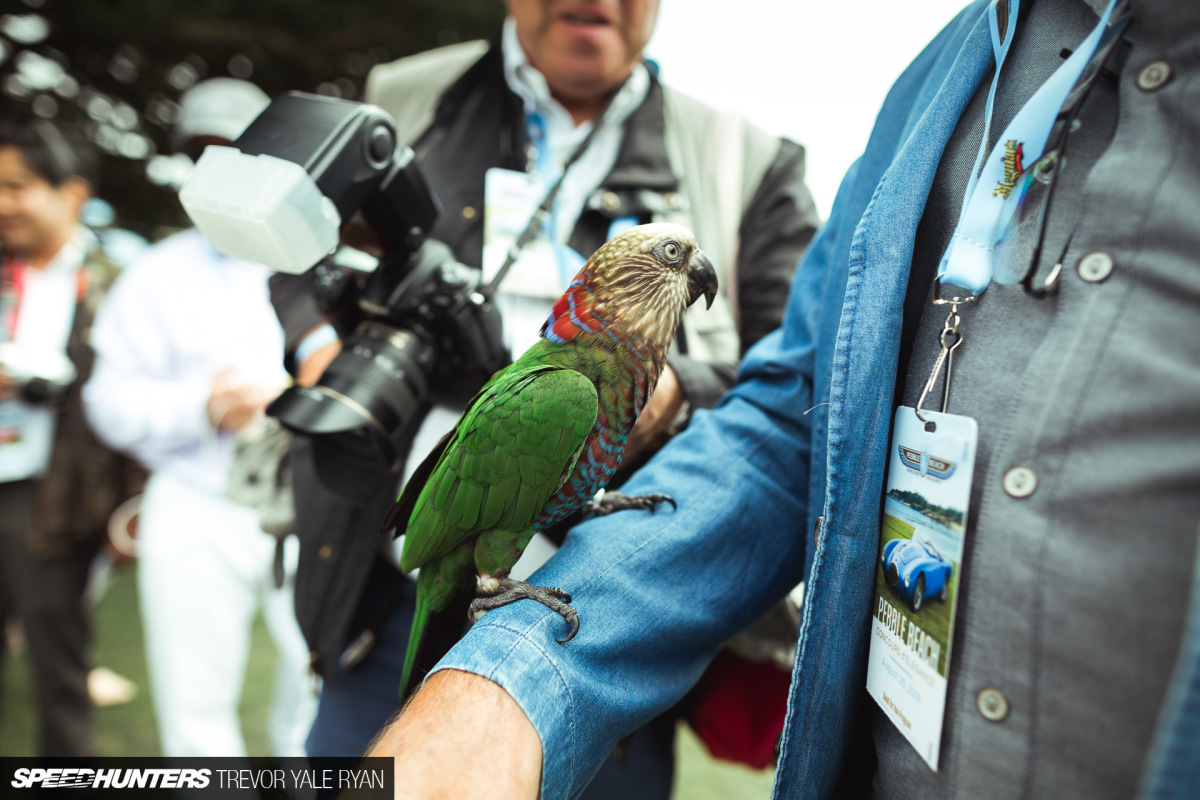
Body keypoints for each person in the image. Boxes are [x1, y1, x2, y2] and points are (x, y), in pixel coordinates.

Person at [365, 0, 1200, 798]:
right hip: (467, 570)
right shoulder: (952, 78)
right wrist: (508, 671)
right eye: (668, 260)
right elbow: (790, 413)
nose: (696, 278)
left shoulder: (738, 159)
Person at [273, 0, 820, 789]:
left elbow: (794, 362)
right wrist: (321, 344)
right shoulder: (405, 99)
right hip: (383, 588)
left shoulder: (746, 154)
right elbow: (295, 246)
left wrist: (675, 391)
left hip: (615, 601)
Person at [83, 77, 317, 757]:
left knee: (317, 684)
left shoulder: (320, 260)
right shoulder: (154, 274)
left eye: (237, 149)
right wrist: (202, 407)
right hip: (195, 499)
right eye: (203, 152)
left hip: (307, 497)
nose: (219, 166)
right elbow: (109, 402)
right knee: (194, 706)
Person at [0, 118, 144, 756]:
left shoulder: (120, 279)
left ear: (72, 196)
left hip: (54, 497)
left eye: (18, 186)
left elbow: (126, 393)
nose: (3, 205)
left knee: (58, 662)